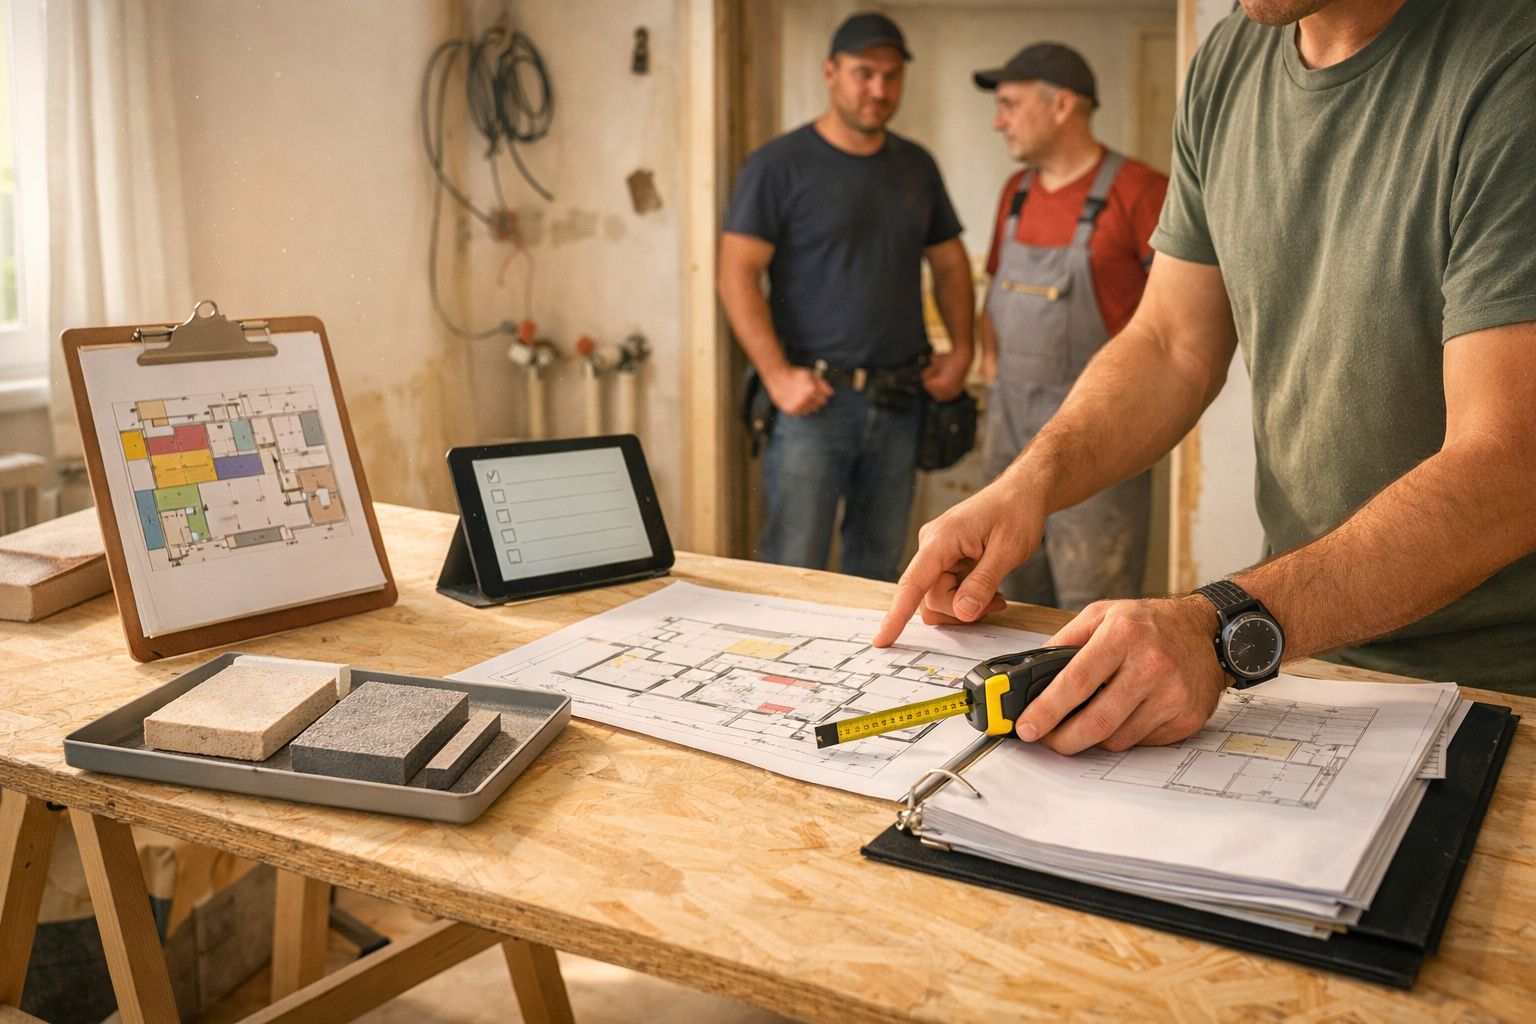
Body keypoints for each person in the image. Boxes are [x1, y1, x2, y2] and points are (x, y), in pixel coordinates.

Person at [872, 0, 1536, 755]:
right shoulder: (1231, 61)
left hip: (1495, 686)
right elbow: (1168, 343)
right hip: (1304, 649)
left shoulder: (1512, 60)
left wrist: (1219, 623)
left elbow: (1512, 462)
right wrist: (1030, 483)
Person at [717, 11, 975, 582]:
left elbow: (951, 264)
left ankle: (860, 674)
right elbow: (735, 274)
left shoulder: (915, 166)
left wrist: (961, 353)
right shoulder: (777, 166)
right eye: (864, 73)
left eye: (891, 76)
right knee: (792, 565)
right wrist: (777, 374)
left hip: (900, 400)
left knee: (880, 570)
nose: (879, 90)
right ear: (831, 73)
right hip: (813, 404)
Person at [973, 43, 1168, 610]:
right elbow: (994, 291)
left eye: (1009, 104)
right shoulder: (1017, 193)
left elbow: (1174, 322)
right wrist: (991, 367)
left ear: (1062, 106)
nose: (997, 120)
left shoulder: (1140, 193)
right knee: (1003, 595)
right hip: (1009, 432)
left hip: (1098, 434)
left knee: (1091, 606)